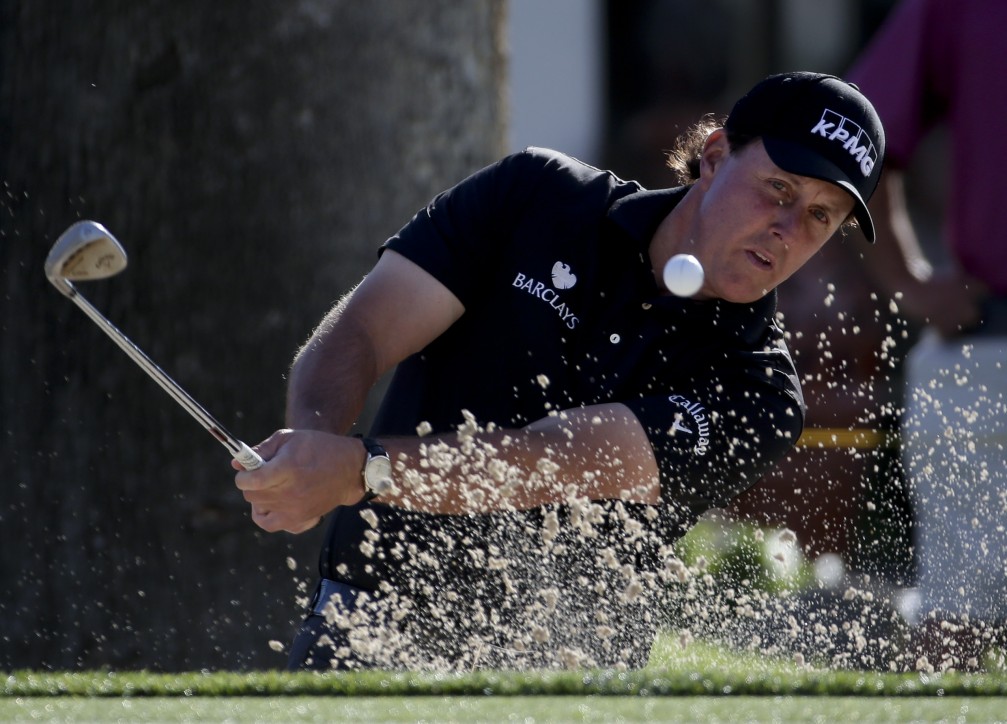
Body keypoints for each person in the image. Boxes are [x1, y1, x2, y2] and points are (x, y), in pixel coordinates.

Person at [234, 72, 886, 671]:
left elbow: (547, 461)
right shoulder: (538, 196)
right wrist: (310, 449)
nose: (787, 229)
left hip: (556, 673)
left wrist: (357, 469)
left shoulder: (761, 396)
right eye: (779, 190)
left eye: (820, 216)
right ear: (714, 158)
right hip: (369, 620)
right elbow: (364, 331)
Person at [848, 0, 1007, 671]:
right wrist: (909, 285)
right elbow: (859, 141)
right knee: (956, 626)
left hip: (988, 357)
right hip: (993, 350)